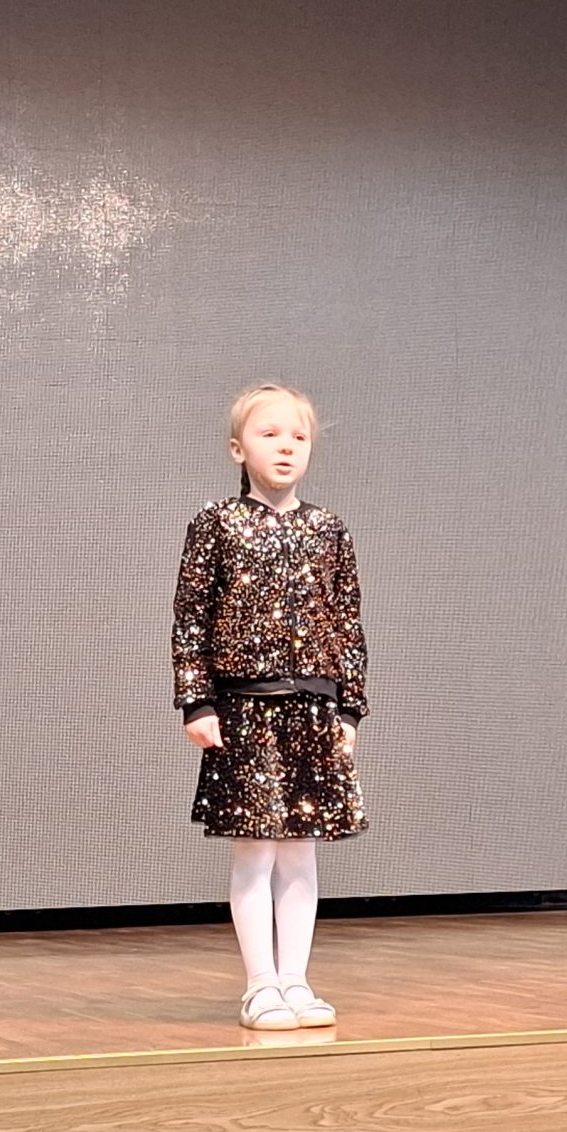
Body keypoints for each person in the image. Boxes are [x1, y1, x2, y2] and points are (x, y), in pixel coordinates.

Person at [171, 382, 367, 1032]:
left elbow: (346, 624)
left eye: (298, 436)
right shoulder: (217, 524)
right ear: (238, 448)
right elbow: (191, 619)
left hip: (312, 710)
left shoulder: (328, 529)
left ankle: (296, 980)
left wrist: (348, 709)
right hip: (244, 710)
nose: (286, 447)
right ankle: (260, 984)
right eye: (269, 434)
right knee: (255, 849)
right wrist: (197, 701)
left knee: (300, 849)